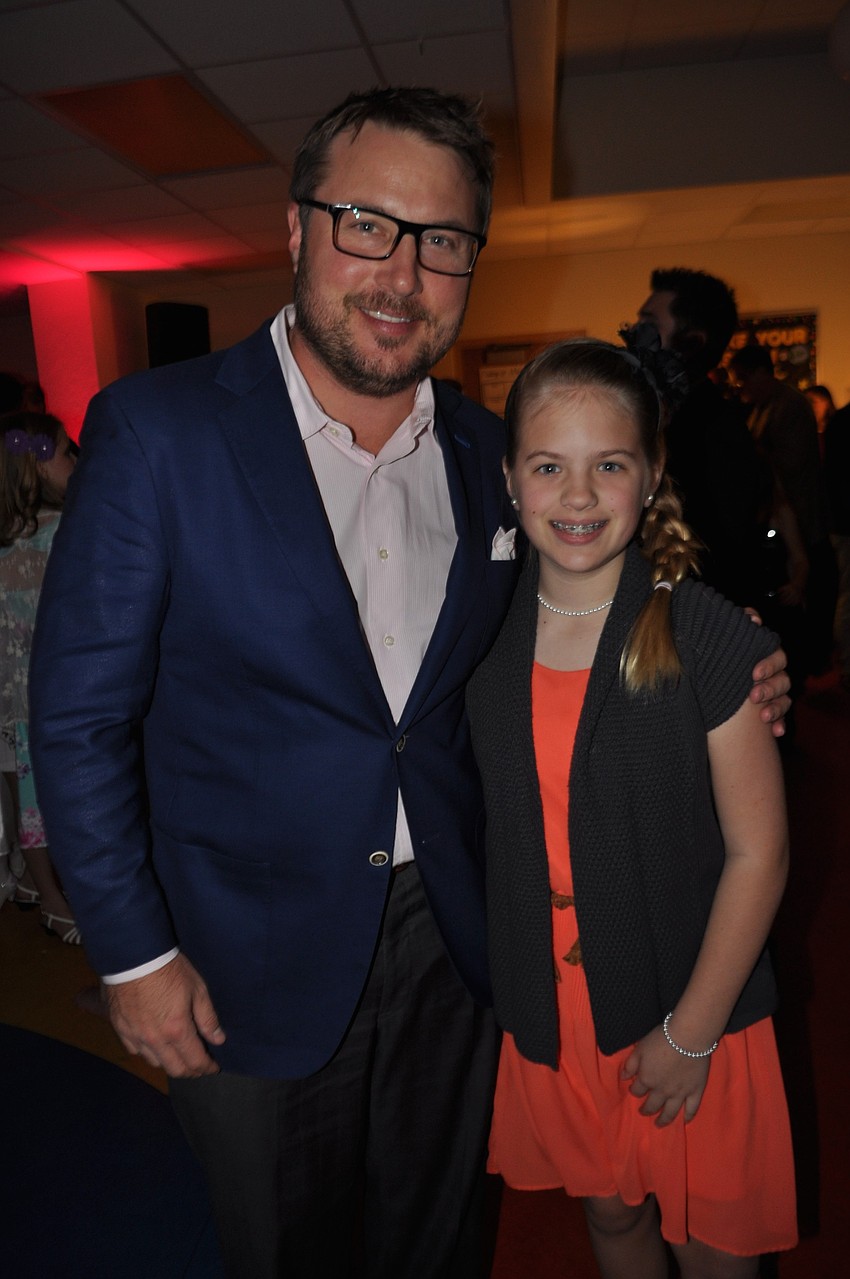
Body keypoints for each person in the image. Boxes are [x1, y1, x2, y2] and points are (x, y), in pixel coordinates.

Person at [27, 87, 791, 1279]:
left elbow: (583, 596)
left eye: (441, 240)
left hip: (461, 943)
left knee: (436, 1243)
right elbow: (76, 718)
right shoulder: (157, 431)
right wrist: (132, 957)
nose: (401, 272)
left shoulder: (493, 450)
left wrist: (723, 644)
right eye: (365, 224)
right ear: (296, 230)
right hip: (240, 964)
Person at [466, 338, 797, 1278]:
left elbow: (758, 855)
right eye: (548, 466)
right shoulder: (481, 632)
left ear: (650, 477)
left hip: (691, 999)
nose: (578, 496)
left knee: (711, 1244)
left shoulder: (698, 630)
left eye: (608, 464)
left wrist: (691, 1031)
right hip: (556, 1007)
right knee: (611, 1220)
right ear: (510, 478)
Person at [627, 268, 764, 608]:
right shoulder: (649, 416)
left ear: (691, 343)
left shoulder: (717, 427)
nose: (634, 333)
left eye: (649, 324)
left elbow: (723, 546)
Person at [0, 411, 78, 940]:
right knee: (41, 803)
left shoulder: (8, 540)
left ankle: (33, 883)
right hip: (42, 695)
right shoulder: (61, 535)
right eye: (68, 451)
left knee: (22, 796)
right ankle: (53, 900)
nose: (77, 459)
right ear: (41, 466)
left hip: (11, 699)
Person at [730, 342, 837, 677]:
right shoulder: (769, 405)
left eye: (745, 378)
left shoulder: (787, 405)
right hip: (783, 510)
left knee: (803, 594)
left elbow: (791, 466)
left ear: (762, 373)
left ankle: (808, 662)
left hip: (796, 512)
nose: (742, 387)